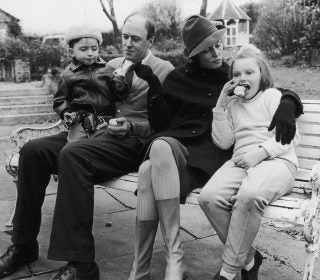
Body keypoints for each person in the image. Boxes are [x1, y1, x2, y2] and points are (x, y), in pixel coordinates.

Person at [0, 13, 174, 280]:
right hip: (92, 134)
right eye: (125, 37)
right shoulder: (113, 64)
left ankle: (82, 265)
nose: (128, 43)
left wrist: (131, 127)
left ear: (151, 40)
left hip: (130, 142)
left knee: (73, 155)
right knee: (33, 151)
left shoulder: (165, 70)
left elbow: (164, 122)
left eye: (136, 39)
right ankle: (24, 245)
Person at [128, 15, 303, 280]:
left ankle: (186, 266)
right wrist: (153, 85)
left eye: (217, 45)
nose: (216, 52)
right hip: (180, 147)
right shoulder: (177, 78)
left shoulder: (231, 72)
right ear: (194, 55)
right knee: (152, 161)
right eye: (206, 49)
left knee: (148, 169)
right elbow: (160, 122)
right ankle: (158, 264)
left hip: (210, 153)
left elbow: (269, 88)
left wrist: (288, 105)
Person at [198, 44, 300, 280]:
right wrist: (220, 106)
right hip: (242, 161)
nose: (242, 78)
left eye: (249, 72)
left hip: (277, 159)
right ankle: (249, 259)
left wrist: (261, 152)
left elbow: (290, 137)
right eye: (236, 74)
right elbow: (223, 142)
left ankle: (228, 271)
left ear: (261, 74)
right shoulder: (233, 104)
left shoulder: (272, 96)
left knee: (249, 195)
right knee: (208, 198)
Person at [53, 25, 124, 142]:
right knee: (74, 149)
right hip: (80, 122)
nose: (90, 53)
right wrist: (66, 112)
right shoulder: (67, 75)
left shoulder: (108, 69)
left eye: (94, 49)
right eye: (84, 49)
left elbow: (118, 96)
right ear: (71, 52)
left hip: (106, 121)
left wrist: (121, 86)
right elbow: (59, 100)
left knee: (103, 148)